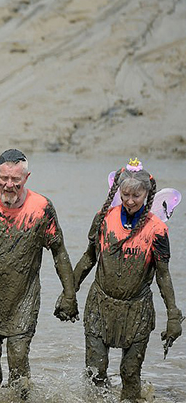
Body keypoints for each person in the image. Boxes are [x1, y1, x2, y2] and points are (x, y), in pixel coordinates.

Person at [0, 149, 78, 397]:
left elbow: (59, 252)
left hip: (23, 300)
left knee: (18, 360)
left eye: (16, 181)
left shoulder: (42, 209)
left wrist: (69, 294)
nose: (9, 185)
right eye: (4, 179)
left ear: (26, 178)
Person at [72, 159, 183, 402]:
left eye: (137, 195)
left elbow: (163, 274)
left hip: (137, 310)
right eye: (125, 194)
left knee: (130, 373)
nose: (130, 201)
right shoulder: (104, 219)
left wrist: (173, 315)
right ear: (118, 191)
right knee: (95, 371)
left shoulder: (157, 230)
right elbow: (89, 258)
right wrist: (69, 292)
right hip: (100, 304)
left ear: (148, 194)